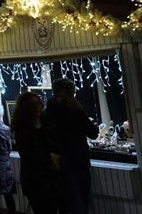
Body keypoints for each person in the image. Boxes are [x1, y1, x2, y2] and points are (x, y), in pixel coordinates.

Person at [43, 77, 96, 214]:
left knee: (72, 205)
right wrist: (80, 111)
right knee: (79, 205)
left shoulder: (47, 112)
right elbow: (93, 133)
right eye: (71, 93)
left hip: (64, 165)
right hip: (74, 164)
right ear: (65, 94)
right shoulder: (72, 112)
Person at [10, 91, 59, 214]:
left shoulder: (47, 123)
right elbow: (28, 154)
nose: (36, 108)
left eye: (38, 104)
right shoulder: (23, 128)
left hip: (52, 177)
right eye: (32, 105)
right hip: (35, 179)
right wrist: (50, 158)